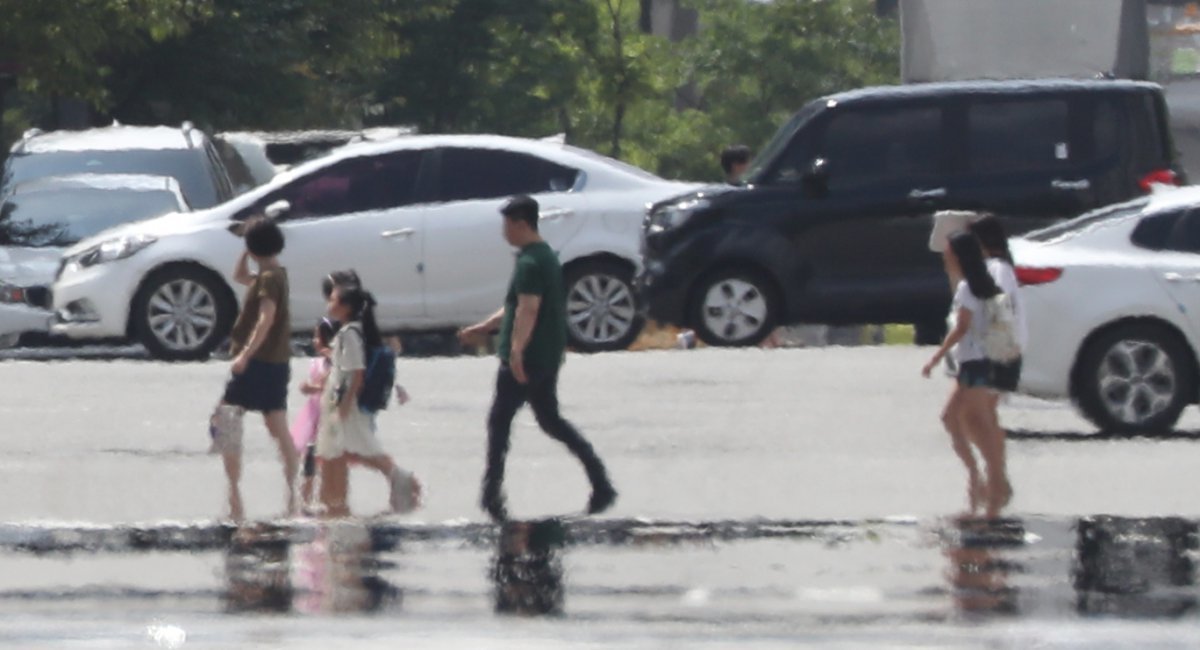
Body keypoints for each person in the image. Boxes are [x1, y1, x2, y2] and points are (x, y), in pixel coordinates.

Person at [459, 195, 617, 522]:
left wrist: (516, 351)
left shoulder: (531, 262)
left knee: (499, 421)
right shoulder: (545, 257)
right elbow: (518, 304)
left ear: (520, 223)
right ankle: (599, 478)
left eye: (507, 225)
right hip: (546, 354)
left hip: (527, 358)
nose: (504, 232)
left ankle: (492, 492)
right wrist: (485, 326)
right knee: (550, 420)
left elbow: (528, 310)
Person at [212, 216, 298, 521]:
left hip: (258, 363)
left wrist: (245, 355)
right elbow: (239, 275)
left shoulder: (267, 282)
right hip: (277, 362)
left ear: (254, 247)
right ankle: (293, 491)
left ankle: (233, 491)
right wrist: (248, 246)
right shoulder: (276, 275)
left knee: (226, 417)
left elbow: (266, 319)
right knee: (277, 425)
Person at [921, 231, 1012, 519]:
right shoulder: (981, 284)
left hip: (974, 364)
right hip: (978, 363)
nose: (944, 258)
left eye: (948, 254)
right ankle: (986, 476)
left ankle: (988, 478)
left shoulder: (968, 289)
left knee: (975, 422)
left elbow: (961, 327)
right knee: (960, 419)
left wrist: (935, 358)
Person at [315, 279, 419, 518]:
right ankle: (332, 501)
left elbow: (356, 374)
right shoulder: (349, 332)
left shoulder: (349, 334)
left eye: (333, 299)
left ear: (345, 307)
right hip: (338, 401)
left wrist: (343, 406)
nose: (329, 302)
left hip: (344, 404)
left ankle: (400, 479)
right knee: (341, 448)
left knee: (357, 446)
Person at [291, 318, 338, 511]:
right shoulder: (319, 363)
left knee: (327, 462)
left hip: (331, 422)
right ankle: (306, 500)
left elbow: (332, 385)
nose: (315, 341)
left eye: (318, 337)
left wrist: (312, 386)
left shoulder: (337, 362)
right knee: (310, 460)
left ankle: (325, 500)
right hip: (315, 422)